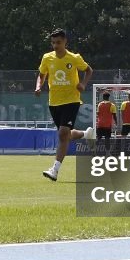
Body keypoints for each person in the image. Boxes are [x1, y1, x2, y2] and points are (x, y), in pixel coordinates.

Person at [35, 28, 93, 181]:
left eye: (58, 42)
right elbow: (41, 75)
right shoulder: (47, 58)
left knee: (62, 134)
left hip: (71, 100)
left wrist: (83, 84)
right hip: (54, 102)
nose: (55, 45)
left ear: (65, 42)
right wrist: (38, 86)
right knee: (66, 134)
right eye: (53, 42)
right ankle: (86, 134)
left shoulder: (74, 58)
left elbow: (88, 70)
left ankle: (54, 169)